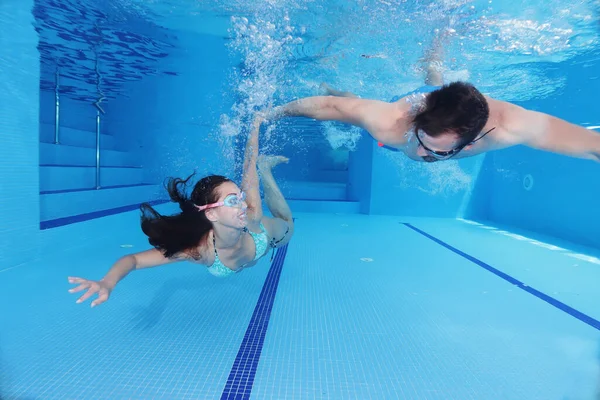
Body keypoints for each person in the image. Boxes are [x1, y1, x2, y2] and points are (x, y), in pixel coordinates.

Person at [68, 115, 294, 307]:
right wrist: (108, 282)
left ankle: (266, 170)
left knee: (285, 221)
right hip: (248, 254)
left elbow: (247, 164)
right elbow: (134, 260)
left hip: (272, 237)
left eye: (241, 197)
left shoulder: (251, 216)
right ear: (211, 214)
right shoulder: (200, 251)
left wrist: (255, 124)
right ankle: (266, 169)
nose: (243, 204)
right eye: (233, 200)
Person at [268, 35, 600, 163]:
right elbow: (330, 108)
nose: (421, 152)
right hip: (419, 106)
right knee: (354, 104)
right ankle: (433, 68)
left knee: (436, 77)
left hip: (464, 112)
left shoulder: (511, 127)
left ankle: (435, 62)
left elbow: (587, 142)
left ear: (468, 144)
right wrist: (275, 112)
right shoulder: (395, 123)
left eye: (436, 150)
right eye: (423, 139)